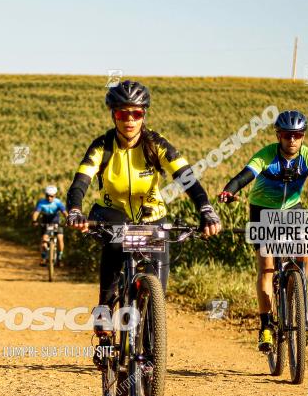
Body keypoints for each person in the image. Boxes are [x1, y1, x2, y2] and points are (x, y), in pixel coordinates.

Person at [65, 80, 221, 357]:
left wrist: (205, 209)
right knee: (116, 242)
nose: (129, 120)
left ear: (144, 115)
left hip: (152, 216)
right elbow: (81, 182)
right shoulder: (102, 146)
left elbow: (187, 179)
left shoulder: (155, 144)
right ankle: (104, 308)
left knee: (157, 289)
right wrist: (75, 210)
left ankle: (150, 351)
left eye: (135, 114)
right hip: (111, 213)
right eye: (121, 114)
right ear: (113, 115)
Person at [218, 110, 308, 352]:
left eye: (297, 135)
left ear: (303, 136)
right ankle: (265, 326)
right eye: (286, 135)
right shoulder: (266, 156)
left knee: (305, 254)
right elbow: (244, 176)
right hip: (262, 211)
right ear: (278, 135)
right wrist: (229, 190)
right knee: (267, 266)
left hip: (293, 210)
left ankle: (295, 296)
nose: (291, 140)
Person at [32, 185, 67, 266]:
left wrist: (68, 219)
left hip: (56, 223)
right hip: (46, 223)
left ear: (55, 196)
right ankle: (43, 258)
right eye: (47, 196)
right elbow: (36, 213)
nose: (49, 198)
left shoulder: (58, 202)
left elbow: (65, 212)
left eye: (51, 196)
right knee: (44, 241)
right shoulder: (41, 202)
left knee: (60, 239)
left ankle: (59, 258)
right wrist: (34, 221)